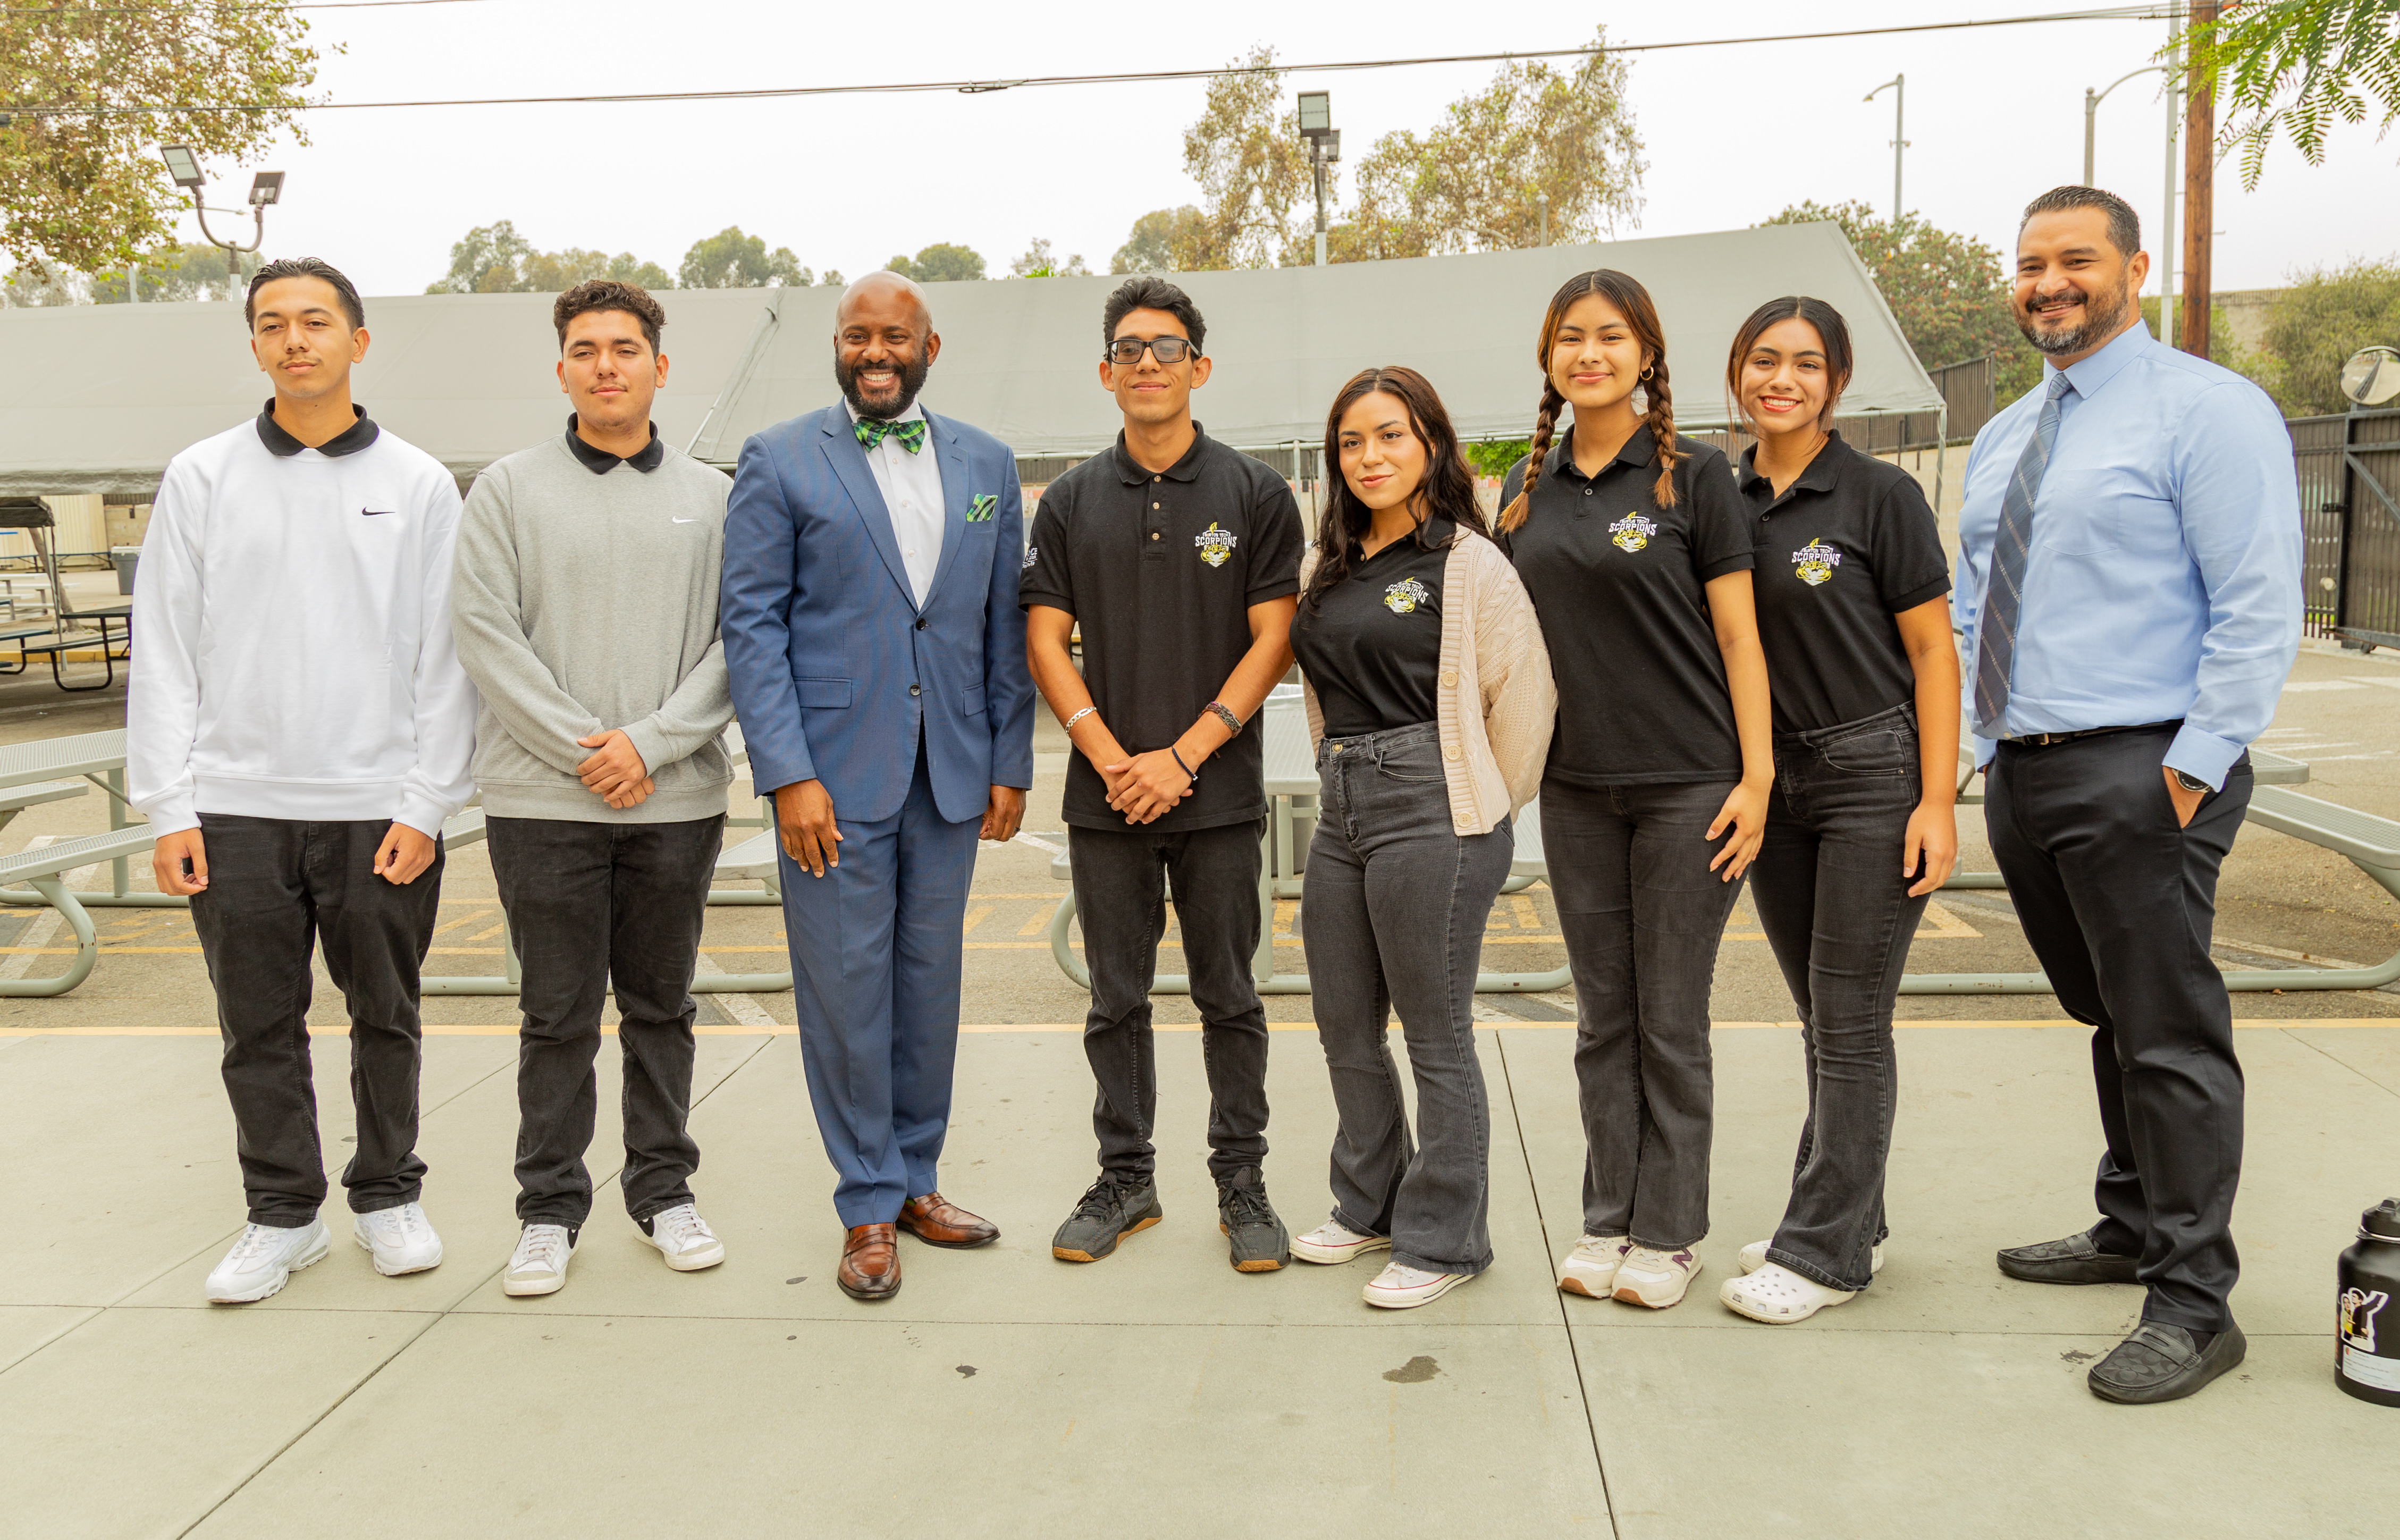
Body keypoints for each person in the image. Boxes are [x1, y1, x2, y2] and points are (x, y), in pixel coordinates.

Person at [1958, 186, 2301, 1404]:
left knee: (2166, 1030)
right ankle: (2131, 1224)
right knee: (2103, 1012)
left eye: (2075, 261)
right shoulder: (2007, 434)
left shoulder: (2206, 412)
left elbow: (2259, 601)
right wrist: (1981, 744)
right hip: (2027, 767)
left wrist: (2193, 761)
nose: (2047, 282)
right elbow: (1972, 596)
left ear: (2133, 271)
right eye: (2029, 262)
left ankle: (2195, 1300)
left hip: (2143, 763)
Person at [128, 257, 477, 1305]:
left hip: (377, 807)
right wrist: (169, 805)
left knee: (388, 1012)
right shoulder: (201, 476)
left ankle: (387, 1196)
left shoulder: (416, 484)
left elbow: (445, 657)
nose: (295, 339)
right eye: (273, 323)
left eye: (316, 321)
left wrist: (427, 804)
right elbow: (167, 649)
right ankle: (283, 1215)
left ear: (357, 342)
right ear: (255, 346)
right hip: (235, 807)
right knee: (257, 1025)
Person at [721, 271, 1034, 1302]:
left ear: (928, 349)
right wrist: (787, 775)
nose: (874, 353)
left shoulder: (986, 462)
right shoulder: (777, 459)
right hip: (831, 783)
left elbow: (1001, 625)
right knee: (847, 995)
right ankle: (865, 1202)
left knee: (926, 989)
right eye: (856, 336)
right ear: (837, 347)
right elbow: (752, 627)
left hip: (947, 774)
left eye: (893, 338)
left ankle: (916, 1180)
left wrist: (1006, 761)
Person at [450, 280, 735, 1297]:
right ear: (561, 368)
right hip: (542, 804)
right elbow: (486, 636)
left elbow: (737, 642)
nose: (605, 364)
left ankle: (663, 1190)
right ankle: (548, 1209)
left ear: (661, 366)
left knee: (662, 1006)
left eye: (625, 347)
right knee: (556, 1013)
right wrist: (590, 749)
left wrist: (650, 745)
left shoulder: (714, 497)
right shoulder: (508, 489)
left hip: (675, 802)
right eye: (585, 348)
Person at [1498, 268, 1773, 1311]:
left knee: (1669, 1018)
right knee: (1601, 1017)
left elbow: (1741, 636)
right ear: (1548, 356)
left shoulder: (1695, 480)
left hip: (1687, 788)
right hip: (1575, 792)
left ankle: (1669, 1230)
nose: (1589, 354)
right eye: (1570, 337)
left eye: (1610, 337)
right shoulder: (1520, 492)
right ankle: (1606, 1212)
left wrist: (1755, 777)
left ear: (1646, 356)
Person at [1021, 276, 1305, 1272]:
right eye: (1131, 348)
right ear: (1106, 372)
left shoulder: (1257, 494)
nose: (1149, 362)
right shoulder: (1068, 501)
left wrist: (1184, 755)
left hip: (1218, 797)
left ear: (1200, 366)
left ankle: (1243, 1183)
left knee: (1230, 994)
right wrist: (1112, 758)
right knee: (1115, 999)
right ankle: (1126, 1178)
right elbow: (1046, 640)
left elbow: (1275, 638)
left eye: (1169, 346)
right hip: (1105, 801)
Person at [1712, 297, 1960, 1325]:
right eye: (1764, 360)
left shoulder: (1878, 496)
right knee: (1822, 1016)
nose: (1783, 379)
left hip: (1871, 771)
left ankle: (1826, 1253)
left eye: (1807, 365)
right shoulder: (1716, 499)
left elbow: (1935, 653)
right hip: (1777, 781)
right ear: (1736, 373)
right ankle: (1850, 1210)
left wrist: (1938, 799)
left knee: (1851, 1023)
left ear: (1838, 382)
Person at [1286, 366, 1554, 1309]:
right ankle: (1370, 1203)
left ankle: (1445, 1238)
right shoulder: (1330, 566)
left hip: (1436, 811)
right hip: (1344, 806)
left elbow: (1522, 700)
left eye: (1392, 436)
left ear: (1431, 445)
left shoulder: (1469, 562)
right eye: (1353, 442)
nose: (1371, 457)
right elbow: (1324, 694)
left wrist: (1477, 805)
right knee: (1342, 1022)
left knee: (1434, 1033)